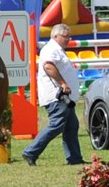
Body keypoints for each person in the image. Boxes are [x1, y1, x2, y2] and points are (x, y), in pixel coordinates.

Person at [21, 23, 85, 166]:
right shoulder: (51, 49)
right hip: (57, 96)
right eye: (65, 36)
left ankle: (74, 158)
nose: (68, 39)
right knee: (57, 125)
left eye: (69, 36)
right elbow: (48, 66)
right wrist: (63, 83)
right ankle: (30, 152)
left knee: (71, 126)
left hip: (65, 97)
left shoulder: (57, 49)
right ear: (56, 36)